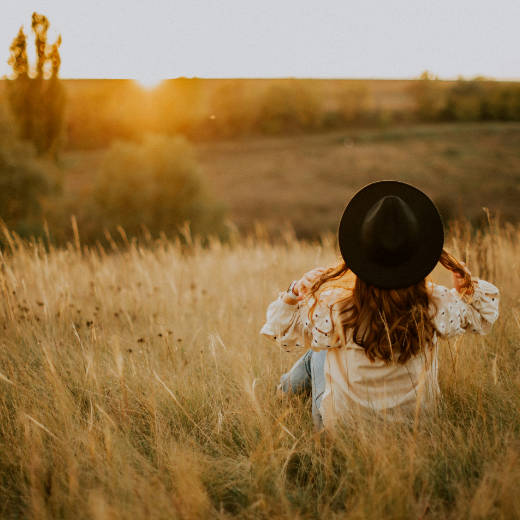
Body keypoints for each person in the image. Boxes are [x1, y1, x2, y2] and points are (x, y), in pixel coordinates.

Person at [260, 181, 500, 430]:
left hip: (343, 435)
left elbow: (280, 332)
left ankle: (282, 394)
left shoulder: (335, 308)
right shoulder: (434, 305)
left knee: (319, 351)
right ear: (417, 255)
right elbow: (482, 315)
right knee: (322, 344)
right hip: (417, 430)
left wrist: (294, 292)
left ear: (360, 254)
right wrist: (466, 290)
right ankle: (283, 390)